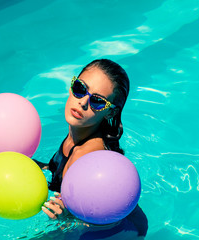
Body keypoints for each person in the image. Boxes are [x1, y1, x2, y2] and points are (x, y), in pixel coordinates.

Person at [36, 59, 148, 239]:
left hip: (123, 231)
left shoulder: (86, 154)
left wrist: (65, 216)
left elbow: (88, 219)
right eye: (80, 89)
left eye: (97, 101)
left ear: (110, 112)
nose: (82, 102)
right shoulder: (78, 133)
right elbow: (59, 169)